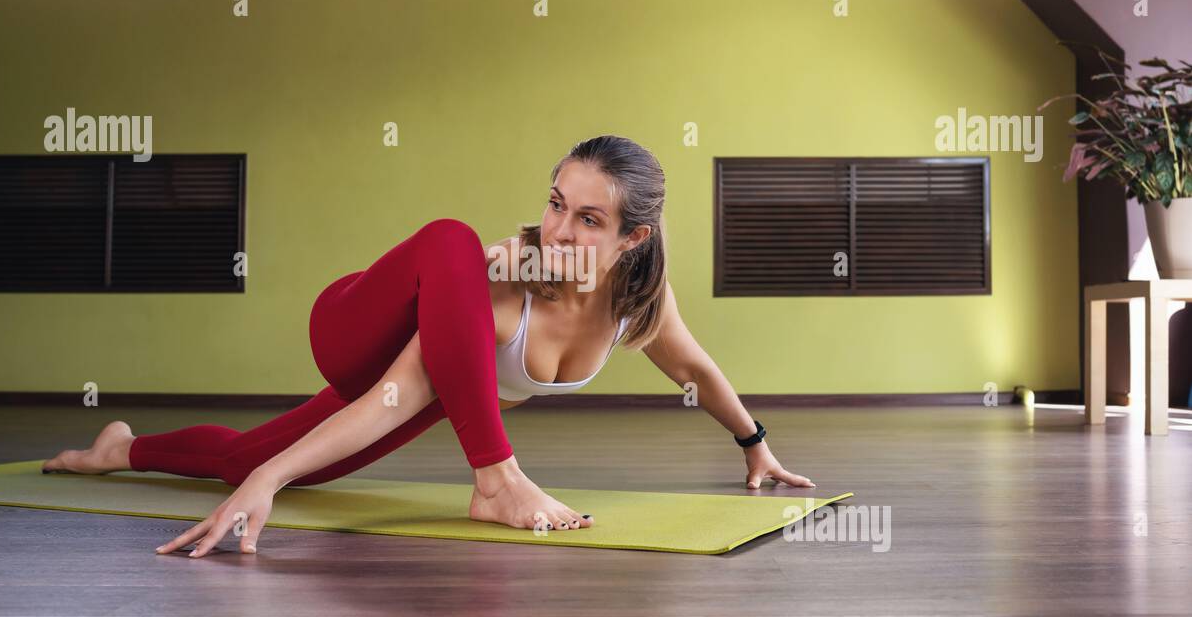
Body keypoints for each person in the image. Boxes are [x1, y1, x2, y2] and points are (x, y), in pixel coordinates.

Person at [42, 135, 813, 557]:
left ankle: (120, 450)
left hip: (434, 394)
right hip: (352, 333)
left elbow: (696, 370)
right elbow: (390, 387)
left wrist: (755, 445)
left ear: (633, 238)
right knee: (454, 242)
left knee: (242, 464)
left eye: (587, 219)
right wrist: (278, 480)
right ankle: (497, 481)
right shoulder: (505, 280)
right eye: (554, 204)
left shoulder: (638, 303)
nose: (556, 230)